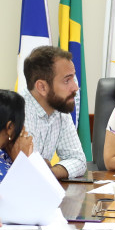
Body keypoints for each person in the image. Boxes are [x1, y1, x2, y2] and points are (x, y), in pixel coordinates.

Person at [21, 46, 87, 179]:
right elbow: (27, 170)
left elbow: (78, 160)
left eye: (73, 79)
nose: (75, 87)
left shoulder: (59, 108)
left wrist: (52, 172)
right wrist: (44, 171)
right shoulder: (19, 112)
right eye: (67, 80)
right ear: (42, 87)